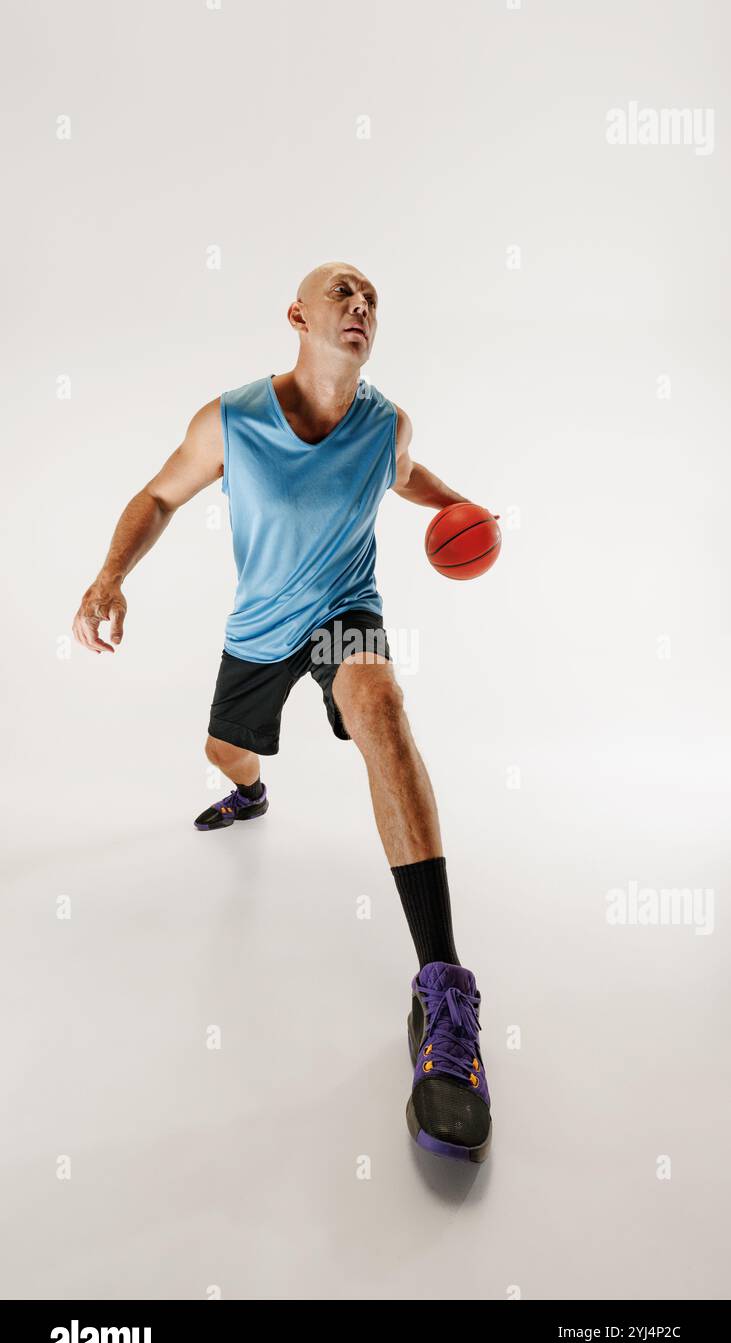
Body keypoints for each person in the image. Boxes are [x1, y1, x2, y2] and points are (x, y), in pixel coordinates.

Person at [72, 262, 493, 1164]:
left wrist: (460, 506)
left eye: (373, 296)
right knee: (223, 751)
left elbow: (406, 475)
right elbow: (156, 497)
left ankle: (444, 989)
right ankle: (252, 793)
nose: (361, 305)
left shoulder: (386, 425)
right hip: (261, 631)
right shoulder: (231, 420)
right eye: (343, 291)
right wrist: (110, 576)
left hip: (345, 616)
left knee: (377, 697)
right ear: (297, 315)